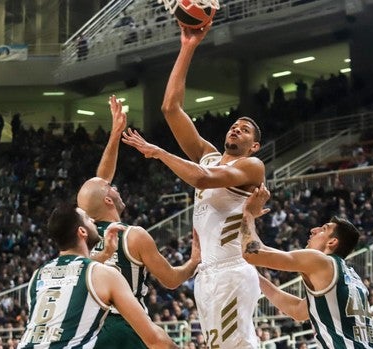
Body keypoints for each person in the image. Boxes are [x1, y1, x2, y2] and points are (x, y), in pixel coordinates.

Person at [121, 24, 265, 348]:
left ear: (254, 146)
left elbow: (201, 179)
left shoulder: (252, 167)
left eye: (244, 131)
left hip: (232, 268)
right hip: (207, 273)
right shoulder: (208, 155)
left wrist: (159, 153)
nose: (236, 130)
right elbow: (171, 108)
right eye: (234, 126)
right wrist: (188, 46)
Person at [77, 96, 201, 349]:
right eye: (113, 189)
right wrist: (193, 262)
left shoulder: (80, 234)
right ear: (109, 201)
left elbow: (97, 187)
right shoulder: (133, 236)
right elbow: (171, 280)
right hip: (127, 324)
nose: (116, 188)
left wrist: (115, 136)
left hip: (90, 330)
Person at [16, 204, 177, 349]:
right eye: (87, 218)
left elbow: (77, 270)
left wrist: (106, 253)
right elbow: (155, 340)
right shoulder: (103, 274)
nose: (93, 220)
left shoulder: (38, 275)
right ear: (82, 231)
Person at [239, 184, 373, 349]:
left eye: (323, 229)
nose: (313, 230)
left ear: (332, 242)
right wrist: (255, 276)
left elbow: (252, 252)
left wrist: (247, 213)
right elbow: (297, 310)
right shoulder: (350, 277)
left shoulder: (321, 260)